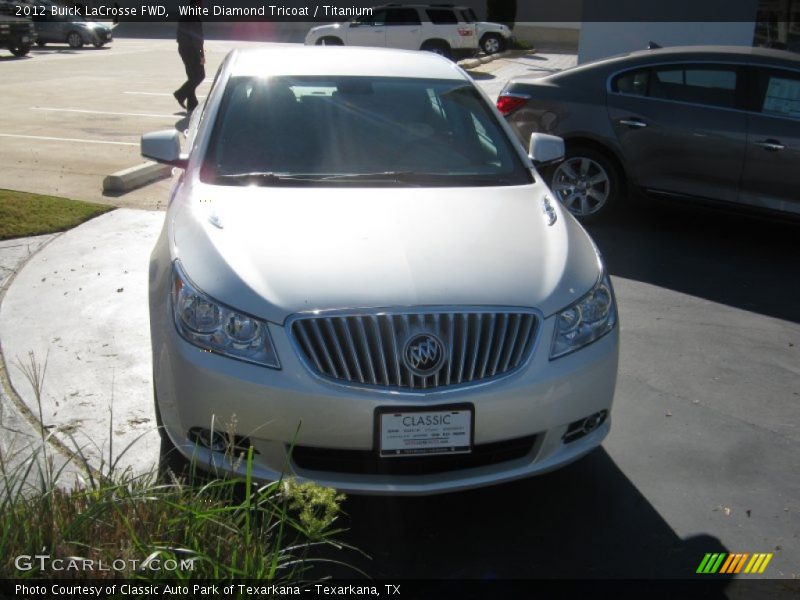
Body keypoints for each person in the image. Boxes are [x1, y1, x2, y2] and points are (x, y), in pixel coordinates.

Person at [174, 0, 205, 113]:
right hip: (191, 50)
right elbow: (197, 39)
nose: (202, 6)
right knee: (200, 76)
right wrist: (201, 55)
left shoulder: (185, 15)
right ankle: (180, 94)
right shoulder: (194, 17)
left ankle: (192, 103)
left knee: (192, 76)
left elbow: (179, 34)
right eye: (201, 4)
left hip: (183, 48)